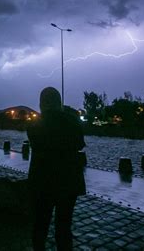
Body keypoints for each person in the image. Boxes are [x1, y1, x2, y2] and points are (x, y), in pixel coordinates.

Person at [27, 87, 86, 251]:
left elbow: (35, 141)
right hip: (68, 182)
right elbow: (80, 143)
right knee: (64, 226)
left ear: (41, 104)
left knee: (40, 225)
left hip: (42, 182)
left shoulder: (34, 125)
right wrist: (66, 112)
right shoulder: (72, 121)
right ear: (59, 102)